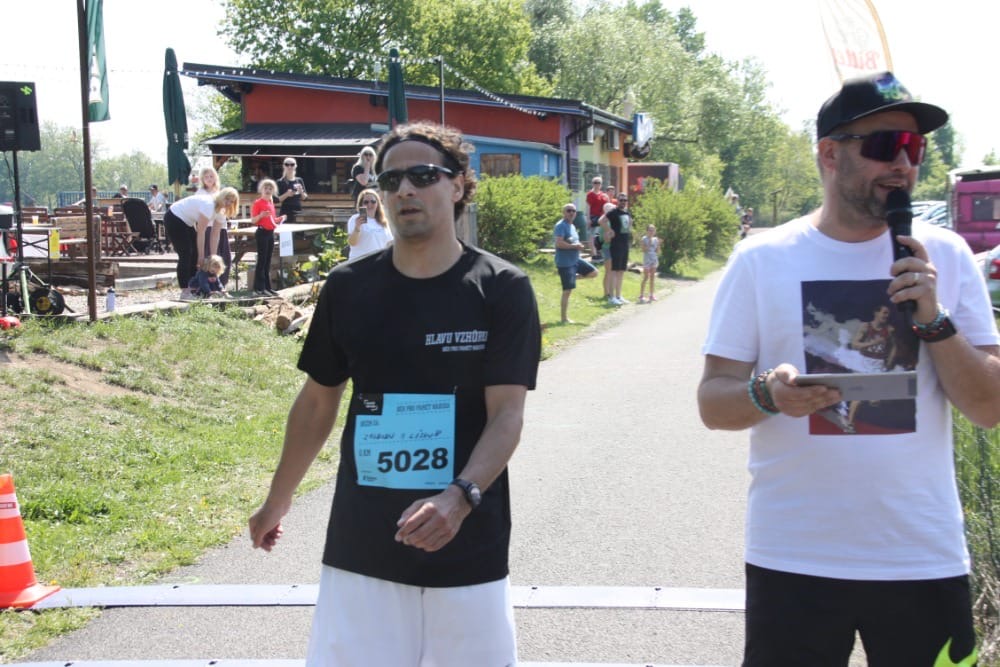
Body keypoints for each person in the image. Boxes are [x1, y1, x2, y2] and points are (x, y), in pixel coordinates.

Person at [697, 71, 1000, 666]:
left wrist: (935, 320)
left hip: (922, 556)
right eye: (886, 145)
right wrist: (767, 394)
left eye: (915, 148)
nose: (903, 165)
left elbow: (988, 408)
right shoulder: (761, 259)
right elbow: (713, 402)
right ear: (830, 154)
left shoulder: (947, 256)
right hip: (794, 558)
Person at [249, 121, 541, 667]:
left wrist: (458, 498)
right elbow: (317, 401)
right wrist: (278, 499)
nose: (405, 189)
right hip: (363, 543)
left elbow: (507, 416)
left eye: (423, 176)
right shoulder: (348, 287)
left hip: (464, 540)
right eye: (390, 180)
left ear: (458, 185)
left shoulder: (502, 289)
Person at [164, 187, 238, 292]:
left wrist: (213, 258)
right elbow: (201, 231)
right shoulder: (209, 205)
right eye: (227, 199)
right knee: (186, 253)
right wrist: (201, 256)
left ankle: (193, 287)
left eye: (232, 201)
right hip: (174, 217)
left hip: (187, 222)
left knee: (194, 252)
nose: (228, 203)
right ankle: (185, 289)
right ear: (221, 196)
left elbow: (215, 235)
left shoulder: (221, 211)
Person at [553, 202, 598, 323]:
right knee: (567, 291)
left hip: (575, 259)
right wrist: (574, 246)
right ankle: (564, 318)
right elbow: (559, 243)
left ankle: (572, 278)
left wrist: (580, 245)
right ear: (563, 212)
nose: (572, 213)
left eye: (574, 211)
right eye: (569, 210)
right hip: (565, 262)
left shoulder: (572, 226)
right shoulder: (560, 225)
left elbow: (573, 242)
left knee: (594, 272)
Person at [250, 178, 285, 296]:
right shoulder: (258, 203)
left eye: (270, 188)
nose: (268, 190)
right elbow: (253, 220)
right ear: (261, 189)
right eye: (266, 188)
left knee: (268, 261)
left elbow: (272, 220)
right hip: (262, 232)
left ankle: (267, 287)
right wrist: (261, 215)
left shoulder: (270, 203)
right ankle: (258, 288)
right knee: (262, 260)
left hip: (270, 233)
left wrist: (280, 219)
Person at [599, 192, 633, 305]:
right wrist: (609, 230)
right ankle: (611, 297)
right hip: (616, 244)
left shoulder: (627, 212)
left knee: (621, 271)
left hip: (624, 244)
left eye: (625, 200)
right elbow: (601, 221)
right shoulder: (613, 212)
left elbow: (629, 224)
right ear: (617, 201)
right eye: (621, 200)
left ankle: (619, 296)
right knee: (613, 271)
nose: (623, 202)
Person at [345, 188, 392, 262]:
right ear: (361, 204)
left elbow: (389, 243)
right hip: (359, 262)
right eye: (366, 202)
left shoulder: (383, 221)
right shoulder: (355, 218)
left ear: (377, 204)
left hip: (378, 263)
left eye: (373, 201)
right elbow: (352, 243)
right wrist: (357, 227)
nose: (370, 204)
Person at [277, 157, 307, 224]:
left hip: (297, 210)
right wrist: (286, 194)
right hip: (285, 211)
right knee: (285, 230)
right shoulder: (280, 181)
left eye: (292, 164)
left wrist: (301, 191)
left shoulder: (299, 180)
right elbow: (276, 200)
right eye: (287, 164)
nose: (289, 167)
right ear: (283, 166)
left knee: (299, 230)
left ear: (295, 166)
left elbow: (305, 198)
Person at [585, 176, 609, 260]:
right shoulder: (590, 194)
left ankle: (601, 253)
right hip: (593, 217)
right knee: (591, 236)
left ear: (601, 184)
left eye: (599, 182)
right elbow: (588, 207)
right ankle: (594, 254)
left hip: (603, 218)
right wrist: (588, 219)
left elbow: (607, 206)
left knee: (601, 235)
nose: (597, 184)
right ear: (592, 184)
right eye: (595, 182)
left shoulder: (603, 195)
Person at [638, 224, 659, 303]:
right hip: (647, 260)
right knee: (646, 277)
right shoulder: (644, 239)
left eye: (653, 230)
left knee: (652, 278)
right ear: (647, 231)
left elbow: (657, 251)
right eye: (650, 230)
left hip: (654, 260)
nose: (651, 232)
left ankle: (651, 295)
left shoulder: (656, 239)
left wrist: (659, 244)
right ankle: (641, 295)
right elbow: (644, 250)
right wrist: (649, 243)